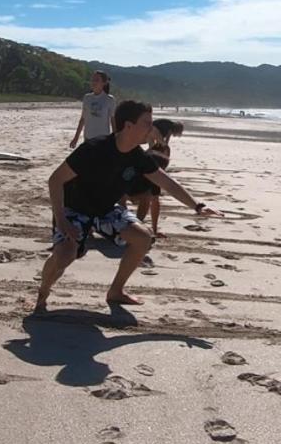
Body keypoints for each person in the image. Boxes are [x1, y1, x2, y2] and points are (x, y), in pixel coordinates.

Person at [34, 100, 221, 314]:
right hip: (75, 209)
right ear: (128, 125)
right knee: (65, 256)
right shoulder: (94, 149)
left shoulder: (137, 156)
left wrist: (198, 205)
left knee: (143, 238)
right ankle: (42, 294)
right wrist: (62, 219)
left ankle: (116, 291)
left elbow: (166, 182)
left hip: (105, 210)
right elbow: (55, 180)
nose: (151, 129)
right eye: (147, 123)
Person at [128, 149, 171, 237]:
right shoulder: (131, 172)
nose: (163, 172)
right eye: (162, 169)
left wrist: (154, 229)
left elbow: (155, 203)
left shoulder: (155, 180)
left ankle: (137, 224)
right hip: (117, 193)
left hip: (135, 193)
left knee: (147, 197)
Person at [69, 70, 116, 148]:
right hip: (88, 138)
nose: (94, 82)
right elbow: (82, 119)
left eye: (97, 80)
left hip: (103, 140)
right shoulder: (87, 98)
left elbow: (113, 121)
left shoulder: (109, 99)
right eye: (93, 80)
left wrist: (116, 139)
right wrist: (76, 138)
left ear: (104, 83)